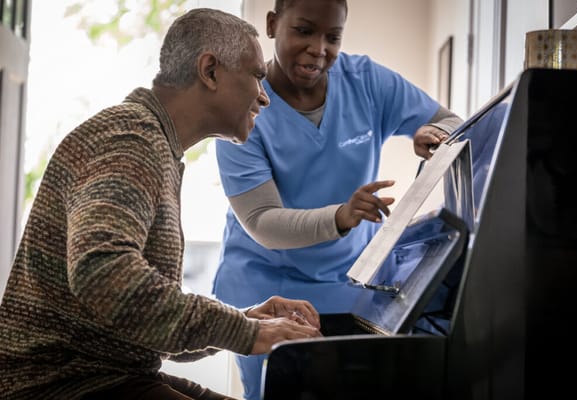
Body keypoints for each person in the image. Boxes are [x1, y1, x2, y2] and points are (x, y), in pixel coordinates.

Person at [0, 8, 323, 400]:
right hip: (58, 385)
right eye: (257, 75)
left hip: (106, 374)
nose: (264, 96)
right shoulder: (131, 138)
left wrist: (244, 320)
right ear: (210, 70)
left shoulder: (153, 145)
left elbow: (140, 318)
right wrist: (246, 333)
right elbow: (101, 273)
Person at [212, 0, 464, 399]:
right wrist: (342, 216)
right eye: (305, 31)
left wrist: (433, 132)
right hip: (265, 286)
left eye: (333, 37)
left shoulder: (366, 81)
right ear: (274, 24)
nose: (319, 49)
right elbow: (261, 221)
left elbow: (454, 124)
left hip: (346, 281)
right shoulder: (244, 103)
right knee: (277, 389)